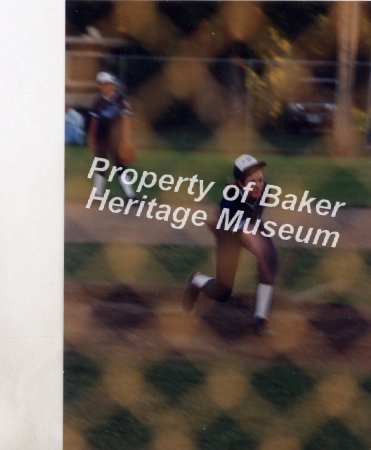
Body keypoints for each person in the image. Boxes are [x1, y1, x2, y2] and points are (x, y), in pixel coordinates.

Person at [182, 154, 277, 336]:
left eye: (260, 180)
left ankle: (260, 320)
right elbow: (234, 228)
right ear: (241, 184)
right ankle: (196, 281)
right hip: (229, 234)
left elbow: (254, 217)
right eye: (252, 181)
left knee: (269, 258)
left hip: (250, 225)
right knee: (222, 291)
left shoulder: (266, 190)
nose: (258, 185)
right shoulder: (231, 201)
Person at [87, 71, 137, 199]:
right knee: (100, 165)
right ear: (100, 86)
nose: (106, 87)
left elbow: (126, 118)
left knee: (120, 166)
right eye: (103, 84)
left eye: (108, 84)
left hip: (117, 139)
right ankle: (98, 194)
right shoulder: (97, 101)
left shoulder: (120, 99)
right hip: (101, 139)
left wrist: (126, 139)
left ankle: (130, 195)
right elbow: (94, 122)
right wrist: (91, 140)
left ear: (113, 85)